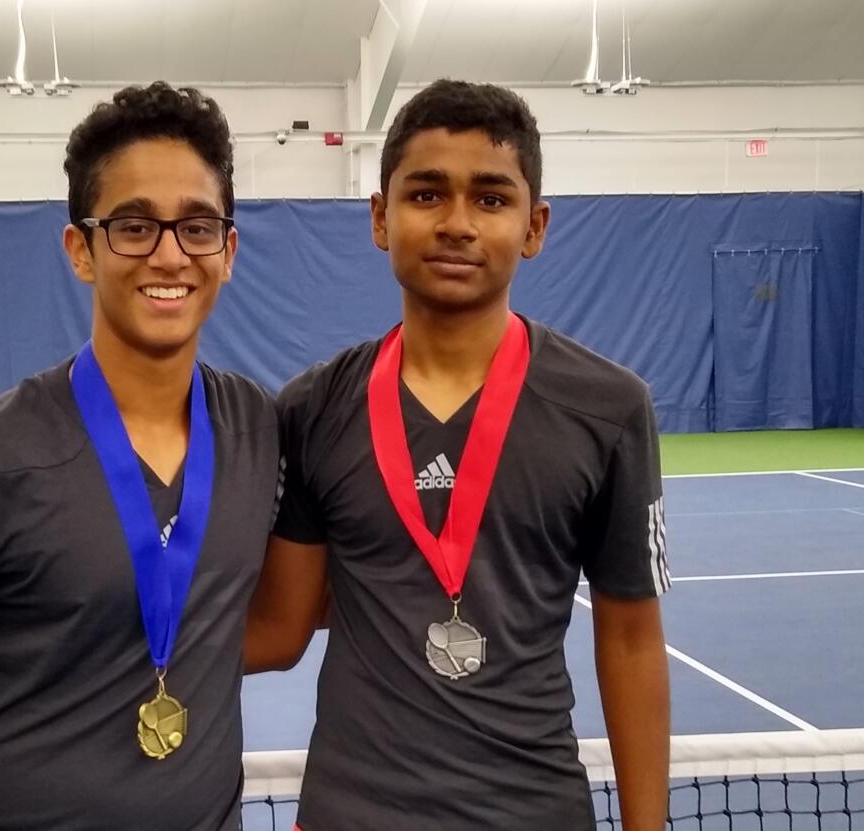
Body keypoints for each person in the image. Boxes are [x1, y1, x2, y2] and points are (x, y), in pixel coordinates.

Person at [245, 79, 671, 831]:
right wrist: (91, 649)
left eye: (492, 199)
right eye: (426, 195)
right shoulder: (311, 408)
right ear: (380, 218)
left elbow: (632, 638)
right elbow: (284, 623)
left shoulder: (611, 408)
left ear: (535, 226)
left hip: (533, 810)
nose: (457, 223)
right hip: (352, 812)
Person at [0, 82, 280, 831]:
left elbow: (283, 618)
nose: (170, 253)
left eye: (198, 226)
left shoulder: (258, 429)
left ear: (230, 250)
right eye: (134, 225)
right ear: (81, 249)